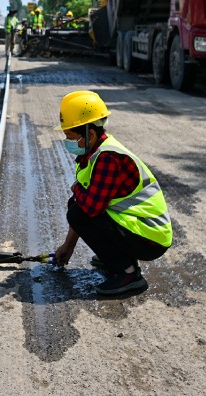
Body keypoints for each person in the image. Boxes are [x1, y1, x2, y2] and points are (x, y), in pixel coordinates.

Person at [54, 91, 172, 296]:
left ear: (90, 134)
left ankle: (127, 273)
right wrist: (68, 246)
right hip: (139, 230)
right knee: (76, 207)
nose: (68, 142)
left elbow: (89, 209)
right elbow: (80, 202)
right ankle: (115, 256)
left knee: (78, 211)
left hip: (150, 238)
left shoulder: (108, 157)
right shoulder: (94, 152)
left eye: (71, 137)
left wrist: (77, 190)